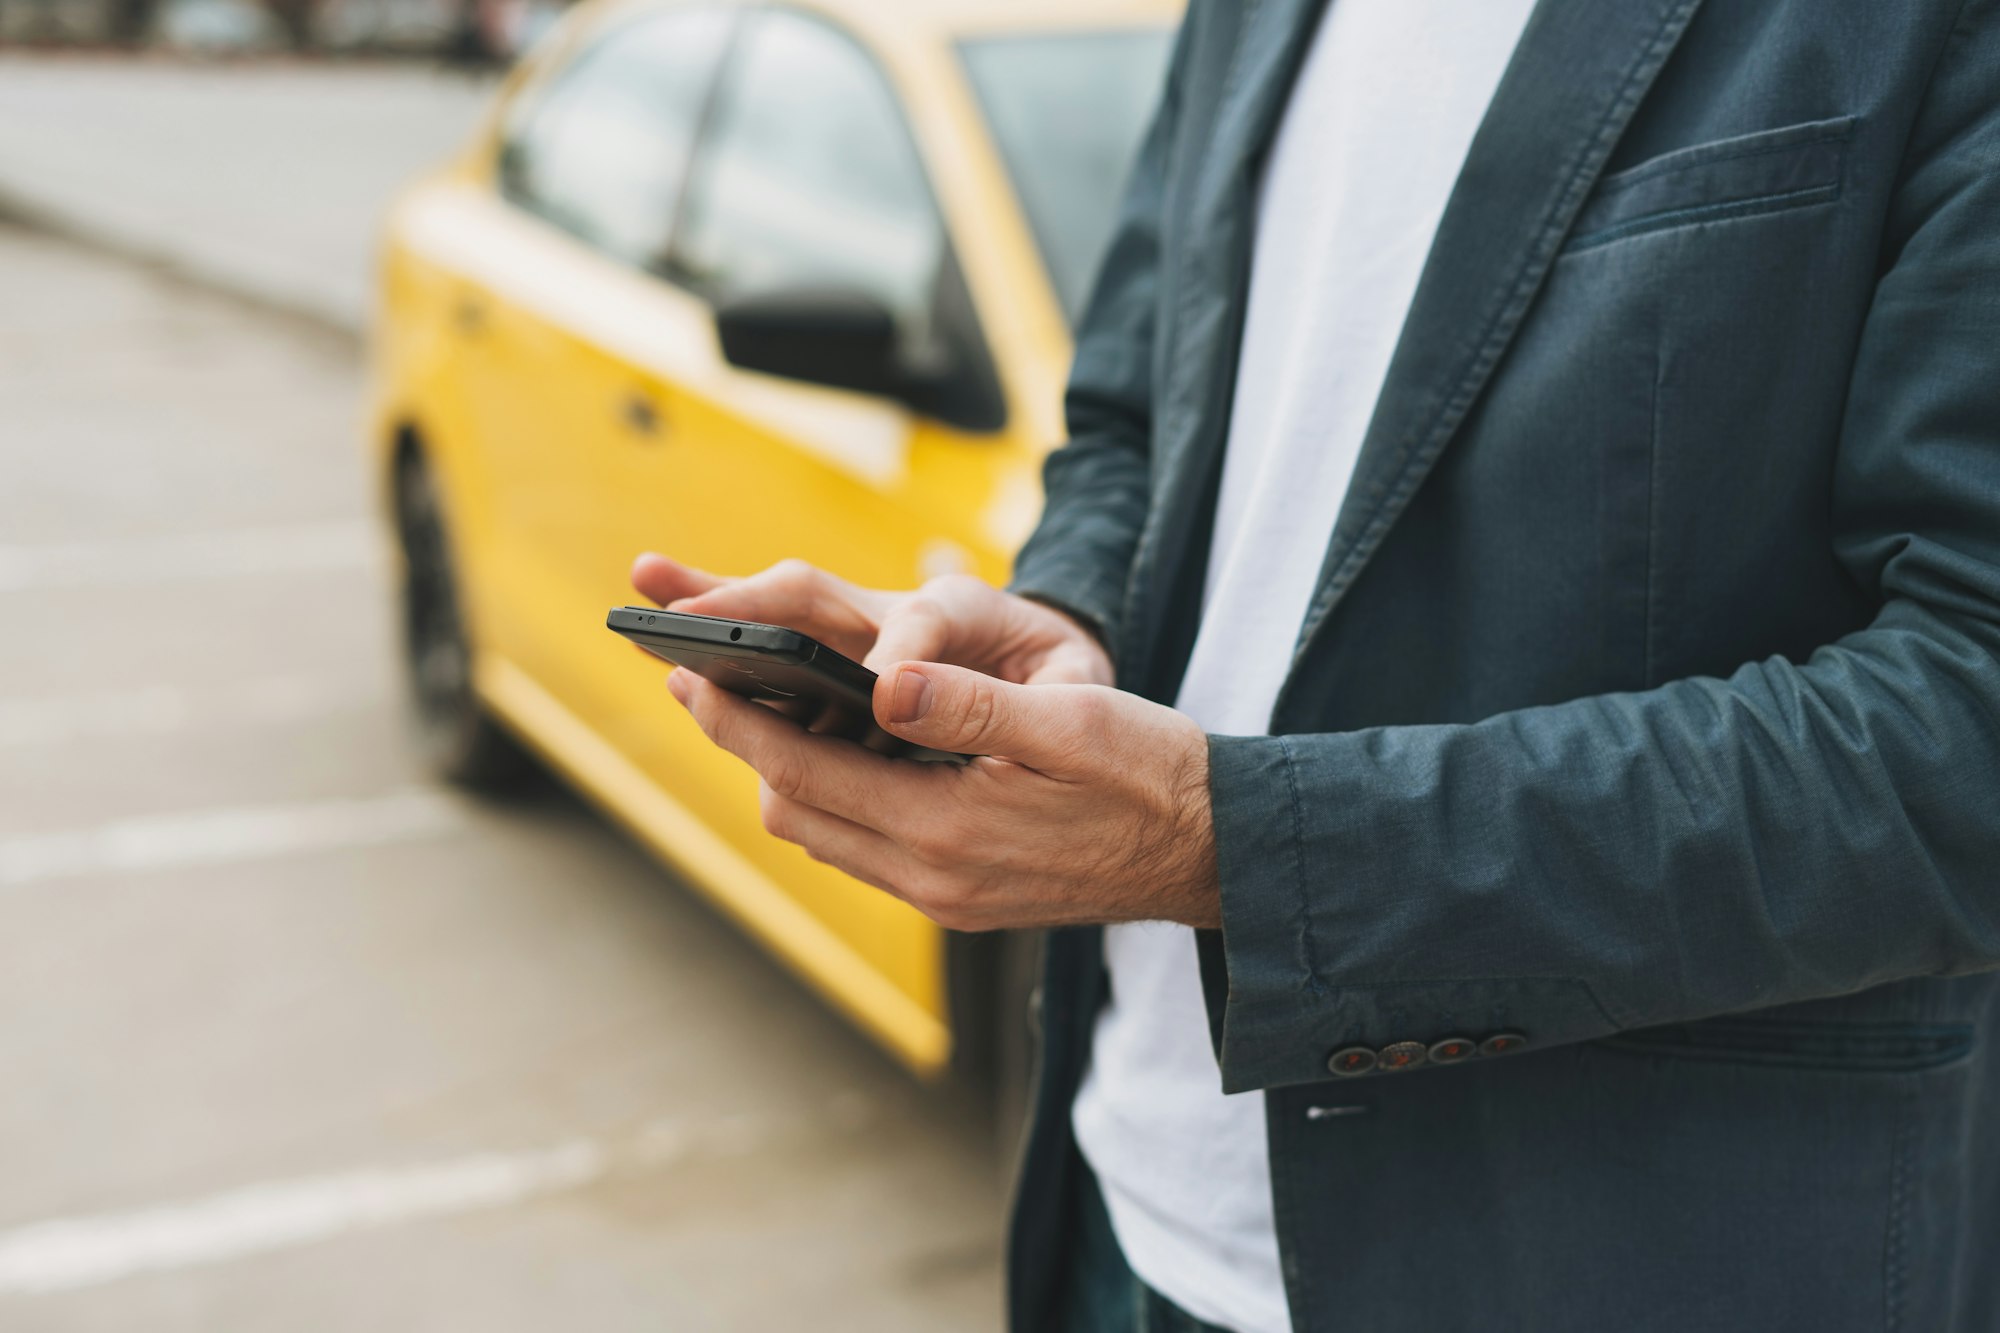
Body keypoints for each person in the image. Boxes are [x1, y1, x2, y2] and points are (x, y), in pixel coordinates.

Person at [630, 0, 2000, 1328]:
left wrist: (1244, 851)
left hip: (1616, 1257)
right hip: (1126, 1205)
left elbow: (1968, 727)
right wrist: (1071, 618)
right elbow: (1128, 414)